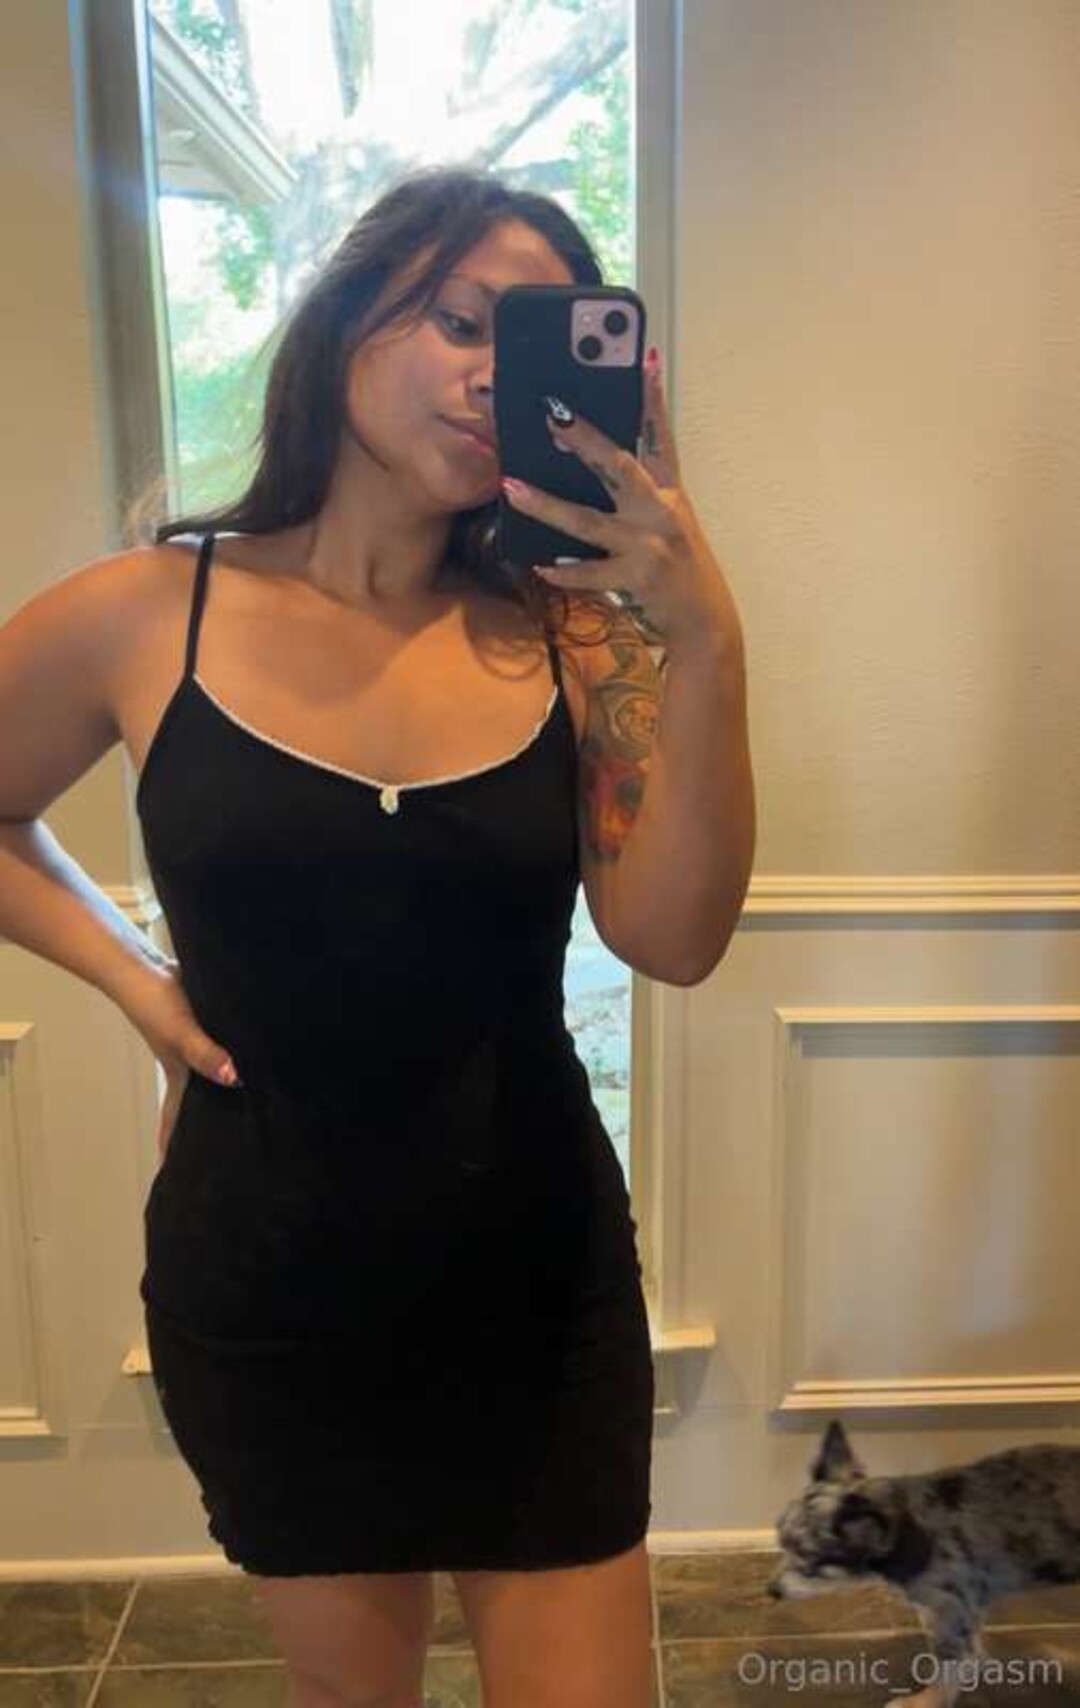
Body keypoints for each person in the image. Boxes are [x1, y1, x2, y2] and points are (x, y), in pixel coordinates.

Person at [0, 166, 754, 1707]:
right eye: (457, 321)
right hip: (268, 1286)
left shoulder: (576, 635)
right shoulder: (143, 614)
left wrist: (707, 637)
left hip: (534, 1284)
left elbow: (672, 939)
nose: (487, 375)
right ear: (346, 322)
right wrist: (137, 986)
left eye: (521, 342)